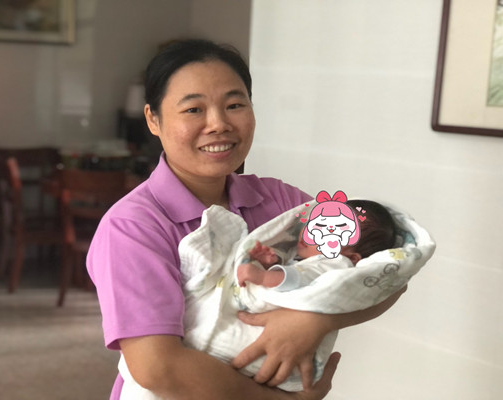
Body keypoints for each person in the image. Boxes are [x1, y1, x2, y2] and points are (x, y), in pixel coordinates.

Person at [86, 39, 406, 400]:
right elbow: (158, 368)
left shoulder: (281, 203)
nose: (218, 124)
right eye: (193, 109)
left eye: (234, 105)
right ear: (153, 119)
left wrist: (316, 320)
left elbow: (390, 271)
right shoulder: (132, 227)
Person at [238, 199, 397, 290]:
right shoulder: (306, 255)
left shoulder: (337, 265)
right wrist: (271, 264)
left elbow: (300, 278)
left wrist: (262, 277)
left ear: (351, 257)